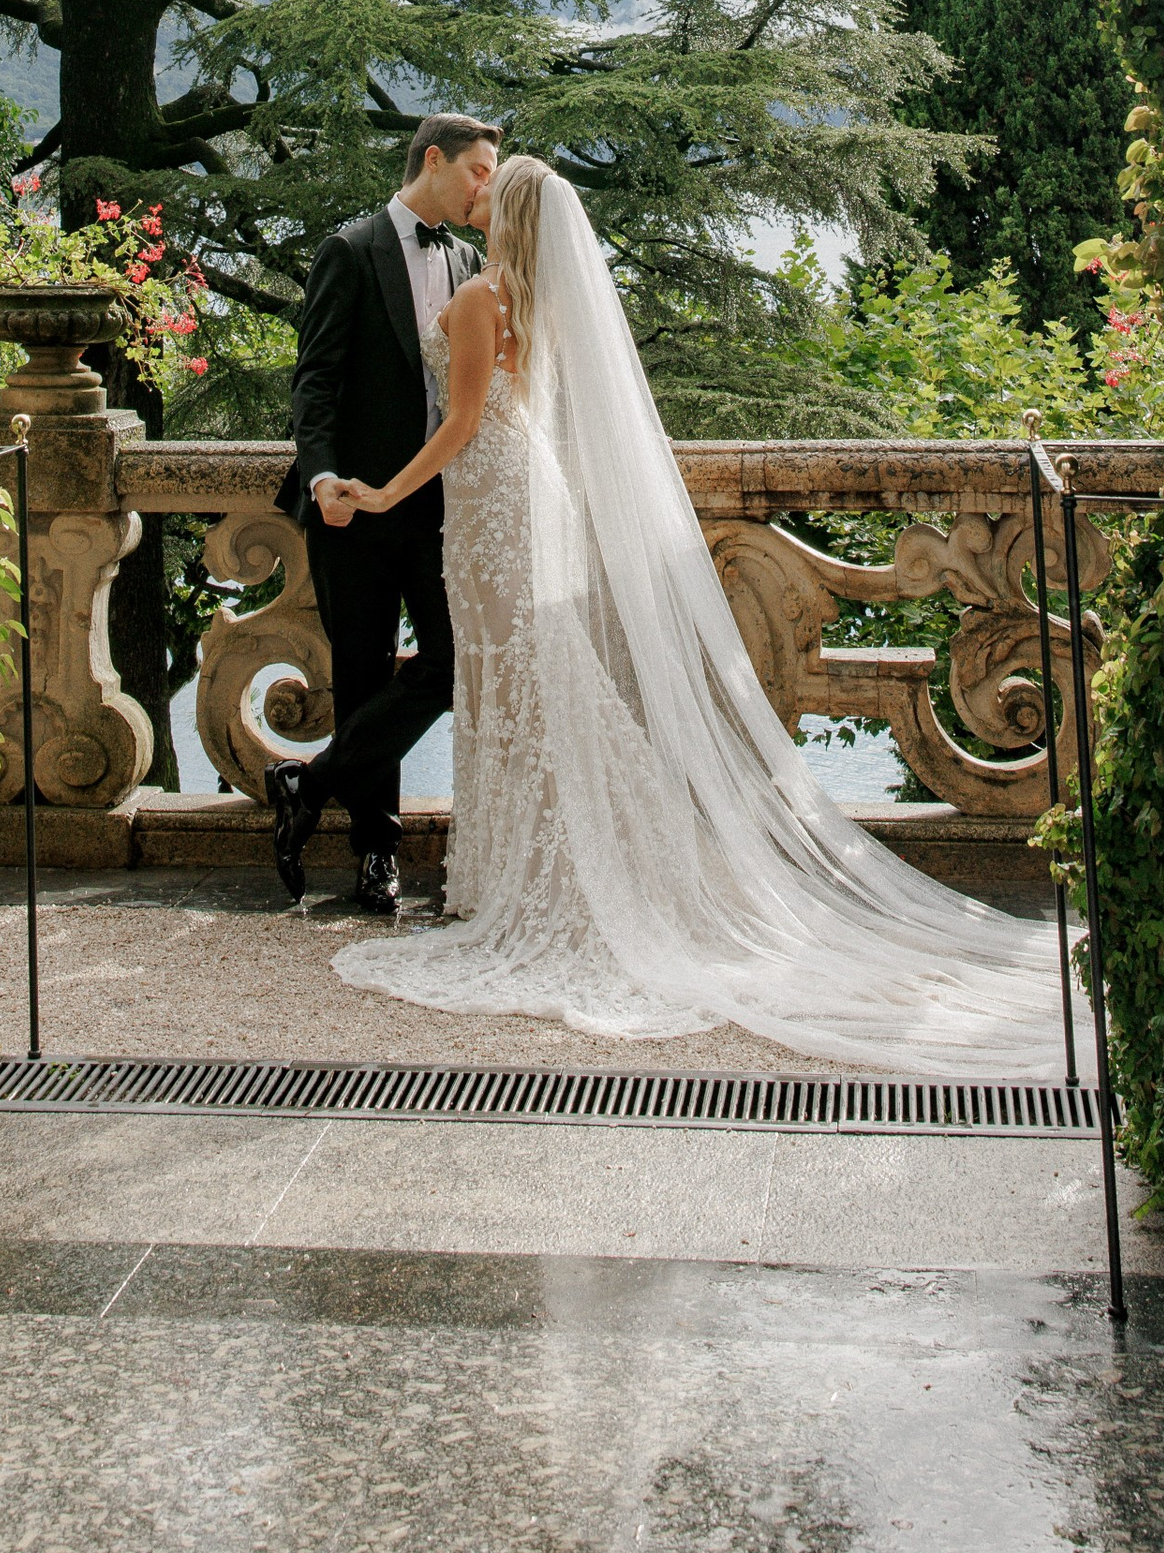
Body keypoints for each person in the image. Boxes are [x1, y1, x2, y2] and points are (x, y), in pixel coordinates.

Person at [314, 153, 1059, 1066]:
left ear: (507, 217)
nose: (477, 198)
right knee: (526, 682)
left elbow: (462, 424)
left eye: (489, 190)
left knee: (512, 684)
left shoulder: (480, 297)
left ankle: (519, 876)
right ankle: (517, 867)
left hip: (489, 505)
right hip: (517, 498)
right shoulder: (535, 300)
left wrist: (385, 495)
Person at [268, 115, 499, 917]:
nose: (485, 186)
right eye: (476, 169)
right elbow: (316, 380)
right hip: (353, 510)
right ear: (431, 159)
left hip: (441, 509)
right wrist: (326, 474)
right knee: (363, 673)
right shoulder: (350, 249)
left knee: (445, 663)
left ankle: (308, 783)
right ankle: (376, 856)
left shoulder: (471, 261)